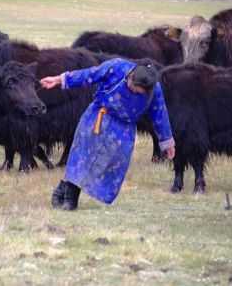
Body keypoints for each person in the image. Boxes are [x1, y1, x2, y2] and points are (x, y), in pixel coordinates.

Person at [40, 58, 175, 210]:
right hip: (98, 117)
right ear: (130, 76)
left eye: (139, 91)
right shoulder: (117, 67)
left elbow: (160, 115)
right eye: (132, 86)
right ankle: (70, 198)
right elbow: (89, 75)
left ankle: (64, 187)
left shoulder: (154, 90)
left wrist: (167, 142)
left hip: (123, 130)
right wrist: (60, 80)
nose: (133, 91)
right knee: (83, 157)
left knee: (107, 163)